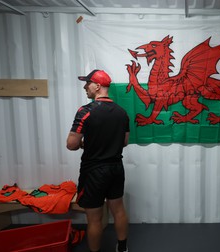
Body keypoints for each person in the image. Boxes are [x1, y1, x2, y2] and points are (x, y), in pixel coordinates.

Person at [66, 69, 130, 252]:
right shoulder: (122, 112)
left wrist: (84, 144)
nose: (85, 87)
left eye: (87, 83)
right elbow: (123, 142)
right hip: (116, 168)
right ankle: (123, 248)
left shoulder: (85, 111)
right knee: (118, 210)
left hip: (94, 171)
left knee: (94, 218)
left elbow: (71, 144)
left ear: (97, 86)